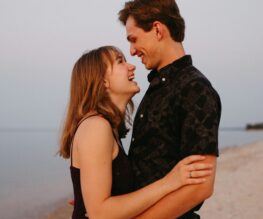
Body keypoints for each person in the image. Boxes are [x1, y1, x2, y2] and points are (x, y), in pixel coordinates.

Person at [59, 46, 213, 219]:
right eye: (120, 61)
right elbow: (99, 214)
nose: (131, 66)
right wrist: (169, 182)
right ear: (102, 81)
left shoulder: (105, 127)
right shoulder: (96, 126)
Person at [118, 0, 222, 218]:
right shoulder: (158, 86)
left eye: (133, 39)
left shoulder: (195, 89)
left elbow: (200, 187)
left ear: (157, 29)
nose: (132, 50)